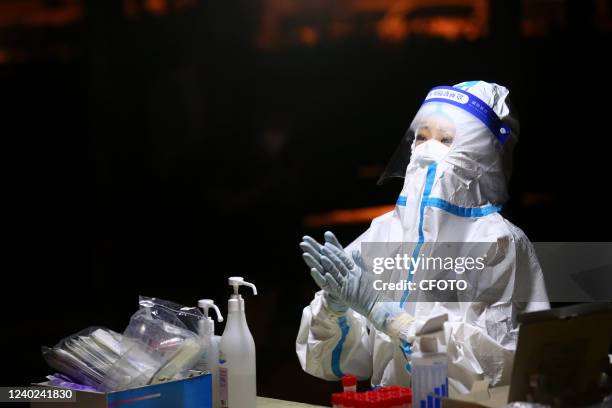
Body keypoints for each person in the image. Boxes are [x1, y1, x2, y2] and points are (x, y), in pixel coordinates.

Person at [295, 81, 550, 393]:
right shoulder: (384, 232)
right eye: (421, 136)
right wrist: (335, 310)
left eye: (446, 139)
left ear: (479, 155)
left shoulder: (499, 242)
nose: (428, 149)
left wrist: (390, 318)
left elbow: (495, 366)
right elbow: (333, 363)